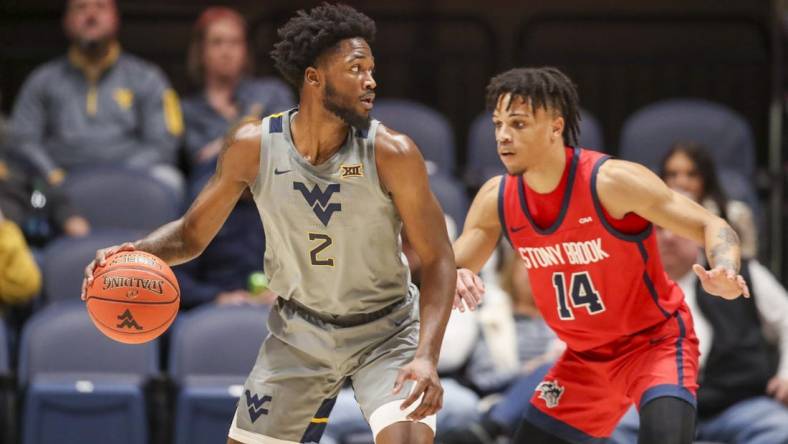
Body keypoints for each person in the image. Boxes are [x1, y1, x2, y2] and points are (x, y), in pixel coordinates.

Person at [82, 4, 455, 444]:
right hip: (301, 331)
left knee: (408, 440)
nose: (371, 81)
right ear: (314, 78)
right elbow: (190, 235)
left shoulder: (392, 152)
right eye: (357, 69)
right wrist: (134, 252)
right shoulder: (254, 145)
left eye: (372, 69)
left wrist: (427, 357)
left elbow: (439, 259)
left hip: (386, 329)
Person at [452, 66, 749, 444]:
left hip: (653, 344)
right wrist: (453, 272)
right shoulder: (498, 197)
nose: (503, 136)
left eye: (519, 124)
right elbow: (452, 264)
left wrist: (724, 268)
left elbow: (713, 224)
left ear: (555, 127)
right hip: (584, 358)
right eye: (497, 124)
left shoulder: (611, 182)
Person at [612, 227, 788, 444]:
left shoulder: (741, 273)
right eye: (657, 229)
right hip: (656, 406)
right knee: (610, 431)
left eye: (675, 227)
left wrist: (786, 374)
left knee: (781, 430)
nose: (668, 237)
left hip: (738, 405)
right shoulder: (631, 286)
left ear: (699, 234)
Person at [8, 0, 184, 193]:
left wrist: (122, 174)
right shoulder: (42, 80)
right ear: (66, 21)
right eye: (80, 7)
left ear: (116, 18)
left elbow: (164, 142)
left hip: (131, 175)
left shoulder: (148, 77)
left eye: (100, 6)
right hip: (60, 179)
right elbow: (23, 140)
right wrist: (52, 174)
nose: (91, 15)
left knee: (171, 181)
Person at [182, 6, 294, 193]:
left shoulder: (272, 92)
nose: (227, 51)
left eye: (235, 42)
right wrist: (252, 131)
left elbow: (290, 141)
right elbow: (200, 158)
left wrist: (224, 143)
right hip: (216, 197)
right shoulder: (187, 109)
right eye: (217, 42)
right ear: (201, 51)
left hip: (270, 190)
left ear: (245, 50)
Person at [661, 141, 758, 258]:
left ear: (706, 178)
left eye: (692, 174)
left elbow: (748, 264)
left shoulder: (736, 214)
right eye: (672, 174)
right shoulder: (649, 214)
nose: (681, 183)